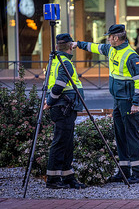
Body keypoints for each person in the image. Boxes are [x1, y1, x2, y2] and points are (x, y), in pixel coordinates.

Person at [73, 24, 139, 184]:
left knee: (131, 137)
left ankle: (138, 175)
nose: (108, 38)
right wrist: (77, 44)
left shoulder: (131, 56)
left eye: (110, 36)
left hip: (128, 101)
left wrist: (136, 103)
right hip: (118, 100)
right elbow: (94, 47)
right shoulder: (111, 49)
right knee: (120, 136)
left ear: (116, 38)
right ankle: (124, 172)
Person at [43, 33, 86, 189]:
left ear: (56, 47)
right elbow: (59, 85)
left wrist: (50, 101)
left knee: (67, 143)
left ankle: (68, 177)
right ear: (70, 47)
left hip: (62, 107)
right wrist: (50, 101)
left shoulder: (53, 62)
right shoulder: (65, 62)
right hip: (64, 107)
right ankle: (53, 179)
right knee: (61, 143)